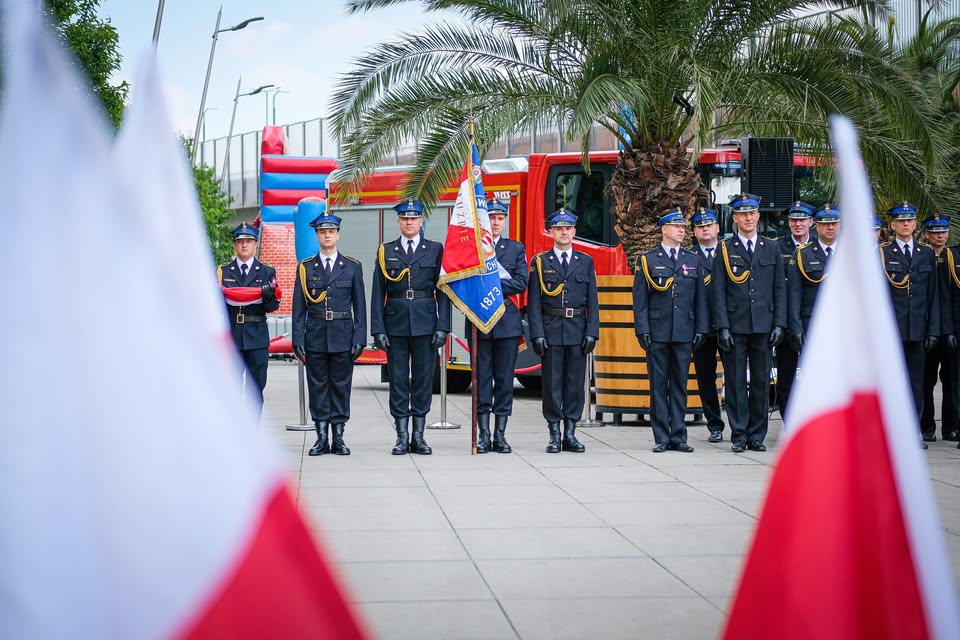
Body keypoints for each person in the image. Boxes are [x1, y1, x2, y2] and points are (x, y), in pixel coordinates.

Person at [371, 199, 451, 455]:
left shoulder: (435, 250)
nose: (409, 222)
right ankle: (401, 436)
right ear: (398, 222)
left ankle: (419, 436)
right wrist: (378, 329)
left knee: (423, 379)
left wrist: (443, 326)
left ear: (420, 221)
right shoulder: (386, 250)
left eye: (413, 218)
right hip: (394, 323)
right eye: (405, 218)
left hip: (426, 322)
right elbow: (377, 292)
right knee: (397, 380)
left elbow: (444, 291)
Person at [712, 193, 786, 453]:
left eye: (752, 213)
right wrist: (722, 326)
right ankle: (739, 433)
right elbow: (718, 292)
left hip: (764, 326)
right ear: (735, 218)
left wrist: (779, 324)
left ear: (757, 216)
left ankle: (757, 434)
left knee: (760, 382)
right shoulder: (724, 249)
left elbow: (779, 290)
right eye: (742, 214)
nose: (748, 218)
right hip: (735, 324)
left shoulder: (771, 248)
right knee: (734, 383)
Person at [633, 208, 709, 452]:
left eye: (683, 227)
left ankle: (679, 435)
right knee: (658, 385)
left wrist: (700, 328)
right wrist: (642, 329)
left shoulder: (692, 259)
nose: (681, 230)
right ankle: (661, 437)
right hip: (657, 331)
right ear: (664, 229)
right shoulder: (648, 259)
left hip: (684, 331)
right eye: (676, 226)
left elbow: (700, 300)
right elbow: (640, 300)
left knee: (680, 384)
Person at [292, 212, 367, 457]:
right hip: (315, 335)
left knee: (341, 386)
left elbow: (360, 306)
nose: (327, 235)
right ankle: (321, 437)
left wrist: (359, 338)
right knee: (318, 386)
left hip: (343, 335)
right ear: (317, 235)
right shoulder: (305, 268)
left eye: (331, 231)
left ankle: (339, 437)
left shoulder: (352, 267)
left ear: (337, 234)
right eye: (322, 232)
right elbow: (298, 308)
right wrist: (297, 339)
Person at [528, 209, 599, 453]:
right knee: (551, 385)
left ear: (574, 232)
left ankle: (570, 432)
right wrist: (537, 333)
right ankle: (554, 432)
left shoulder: (585, 261)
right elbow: (534, 302)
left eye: (568, 228)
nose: (564, 232)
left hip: (577, 330)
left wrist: (592, 331)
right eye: (559, 228)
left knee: (574, 384)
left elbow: (592, 301)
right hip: (551, 330)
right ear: (551, 232)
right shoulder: (540, 262)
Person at [467, 198, 528, 453]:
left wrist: (491, 284)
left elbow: (522, 282)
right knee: (482, 380)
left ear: (504, 220)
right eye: (490, 217)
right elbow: (466, 282)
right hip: (479, 321)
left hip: (507, 322)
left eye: (499, 218)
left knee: (504, 381)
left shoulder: (515, 249)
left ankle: (500, 435)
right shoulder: (473, 248)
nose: (495, 222)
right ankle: (483, 435)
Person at [880, 201, 940, 448]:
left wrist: (933, 330)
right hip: (892, 332)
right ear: (892, 225)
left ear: (915, 224)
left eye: (909, 220)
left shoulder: (925, 253)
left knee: (917, 383)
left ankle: (913, 431)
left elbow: (933, 295)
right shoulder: (883, 253)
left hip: (918, 329)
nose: (905, 224)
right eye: (900, 220)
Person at [217, 222, 280, 411]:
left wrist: (268, 295)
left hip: (257, 336)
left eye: (249, 241)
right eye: (240, 241)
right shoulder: (223, 271)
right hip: (233, 336)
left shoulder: (267, 271)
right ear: (235, 245)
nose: (244, 245)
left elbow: (272, 307)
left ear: (255, 244)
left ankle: (253, 433)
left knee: (255, 390)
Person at [786, 204, 840, 383]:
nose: (830, 227)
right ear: (816, 226)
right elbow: (794, 294)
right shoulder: (803, 254)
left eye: (834, 223)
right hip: (812, 324)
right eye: (825, 224)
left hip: (844, 326)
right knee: (815, 380)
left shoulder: (851, 254)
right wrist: (796, 328)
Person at [920, 214, 959, 442]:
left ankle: (951, 427)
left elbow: (949, 298)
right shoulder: (922, 257)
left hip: (951, 328)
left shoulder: (954, 256)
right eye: (934, 231)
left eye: (943, 231)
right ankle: (927, 426)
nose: (939, 235)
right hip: (926, 329)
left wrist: (949, 330)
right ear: (926, 234)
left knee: (952, 381)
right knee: (926, 381)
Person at [776, 201, 816, 419]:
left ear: (811, 222)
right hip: (785, 320)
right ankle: (788, 418)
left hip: (811, 319)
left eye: (802, 219)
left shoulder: (819, 248)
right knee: (786, 373)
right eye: (793, 220)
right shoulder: (777, 247)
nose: (797, 224)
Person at [691, 207, 725, 442]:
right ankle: (715, 424)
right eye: (700, 226)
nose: (705, 229)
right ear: (694, 232)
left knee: (733, 377)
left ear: (718, 228)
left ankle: (739, 425)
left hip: (728, 325)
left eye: (709, 225)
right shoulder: (689, 257)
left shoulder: (729, 252)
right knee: (705, 378)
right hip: (701, 328)